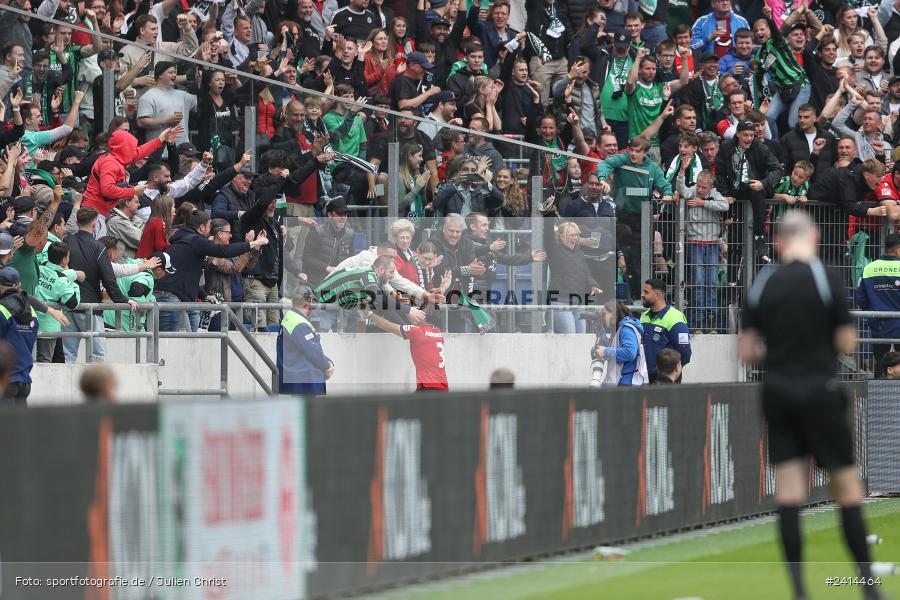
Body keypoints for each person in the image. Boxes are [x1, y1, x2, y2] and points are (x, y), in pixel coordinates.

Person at [739, 211, 882, 600]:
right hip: (820, 388)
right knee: (846, 488)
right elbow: (847, 343)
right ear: (814, 237)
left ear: (778, 241)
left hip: (778, 391)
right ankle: (868, 587)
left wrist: (778, 350)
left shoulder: (762, 284)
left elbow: (748, 350)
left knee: (789, 492)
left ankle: (800, 591)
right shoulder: (825, 278)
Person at [63, 207, 137, 363]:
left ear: (77, 222)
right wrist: (123, 300)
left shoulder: (67, 240)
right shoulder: (99, 248)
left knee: (68, 355)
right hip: (90, 306)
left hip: (68, 303)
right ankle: (97, 386)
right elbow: (109, 279)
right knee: (98, 355)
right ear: (95, 224)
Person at [367, 310, 449, 392]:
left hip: (429, 388)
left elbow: (386, 325)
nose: (415, 313)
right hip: (443, 387)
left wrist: (369, 313)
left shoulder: (417, 331)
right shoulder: (437, 331)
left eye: (418, 311)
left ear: (422, 317)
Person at [855, 233, 900, 378]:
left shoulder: (869, 268)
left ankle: (879, 397)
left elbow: (860, 298)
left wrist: (873, 312)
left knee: (881, 364)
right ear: (898, 250)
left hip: (879, 324)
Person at [278, 284, 334, 395]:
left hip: (296, 380)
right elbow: (313, 352)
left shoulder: (291, 317)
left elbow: (308, 348)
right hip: (305, 382)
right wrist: (327, 366)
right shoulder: (299, 324)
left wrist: (327, 361)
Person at [35, 241, 80, 363]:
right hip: (49, 327)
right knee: (44, 361)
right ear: (65, 259)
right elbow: (73, 303)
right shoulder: (62, 281)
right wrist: (73, 282)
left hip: (32, 321)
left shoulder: (39, 268)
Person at [640, 278, 691, 382]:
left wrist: (669, 374)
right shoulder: (644, 316)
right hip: (644, 378)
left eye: (646, 292)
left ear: (657, 295)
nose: (642, 295)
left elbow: (685, 354)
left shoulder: (675, 318)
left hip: (665, 381)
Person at [0, 267, 38, 404]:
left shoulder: (2, 309)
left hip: (6, 380)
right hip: (25, 380)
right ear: (19, 285)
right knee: (20, 425)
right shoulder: (31, 310)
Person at [592, 299, 647, 386]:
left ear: (612, 314)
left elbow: (629, 353)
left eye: (604, 314)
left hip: (626, 384)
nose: (603, 317)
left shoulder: (626, 329)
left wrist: (605, 351)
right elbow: (613, 348)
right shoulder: (619, 329)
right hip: (619, 382)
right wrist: (600, 329)